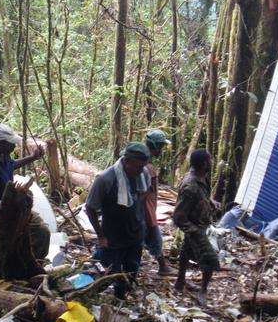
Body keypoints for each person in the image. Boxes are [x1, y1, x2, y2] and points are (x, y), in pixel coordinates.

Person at [0, 123, 49, 259]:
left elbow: (11, 165)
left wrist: (33, 157)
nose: (14, 146)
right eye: (11, 143)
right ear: (0, 144)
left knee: (41, 231)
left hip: (15, 207)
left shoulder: (2, 155)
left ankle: (33, 264)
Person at [85, 142, 150, 299]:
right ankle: (79, 295)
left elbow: (144, 194)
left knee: (130, 273)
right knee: (101, 273)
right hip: (112, 238)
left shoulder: (143, 174)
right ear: (126, 161)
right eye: (137, 167)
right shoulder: (106, 179)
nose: (141, 170)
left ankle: (120, 300)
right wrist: (101, 236)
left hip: (135, 236)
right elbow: (90, 208)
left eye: (143, 166)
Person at [172, 148, 220, 306]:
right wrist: (194, 232)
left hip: (201, 223)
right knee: (211, 259)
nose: (211, 162)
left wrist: (211, 202)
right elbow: (178, 216)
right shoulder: (190, 186)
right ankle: (203, 291)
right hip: (195, 227)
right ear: (204, 163)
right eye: (210, 159)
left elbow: (203, 196)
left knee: (186, 252)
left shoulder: (202, 177)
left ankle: (180, 282)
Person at [144, 130, 177, 276]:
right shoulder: (146, 167)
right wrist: (149, 215)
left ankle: (163, 266)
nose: (162, 150)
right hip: (145, 212)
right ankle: (163, 267)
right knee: (155, 239)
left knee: (148, 239)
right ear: (155, 146)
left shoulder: (146, 164)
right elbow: (144, 195)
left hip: (146, 211)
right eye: (161, 147)